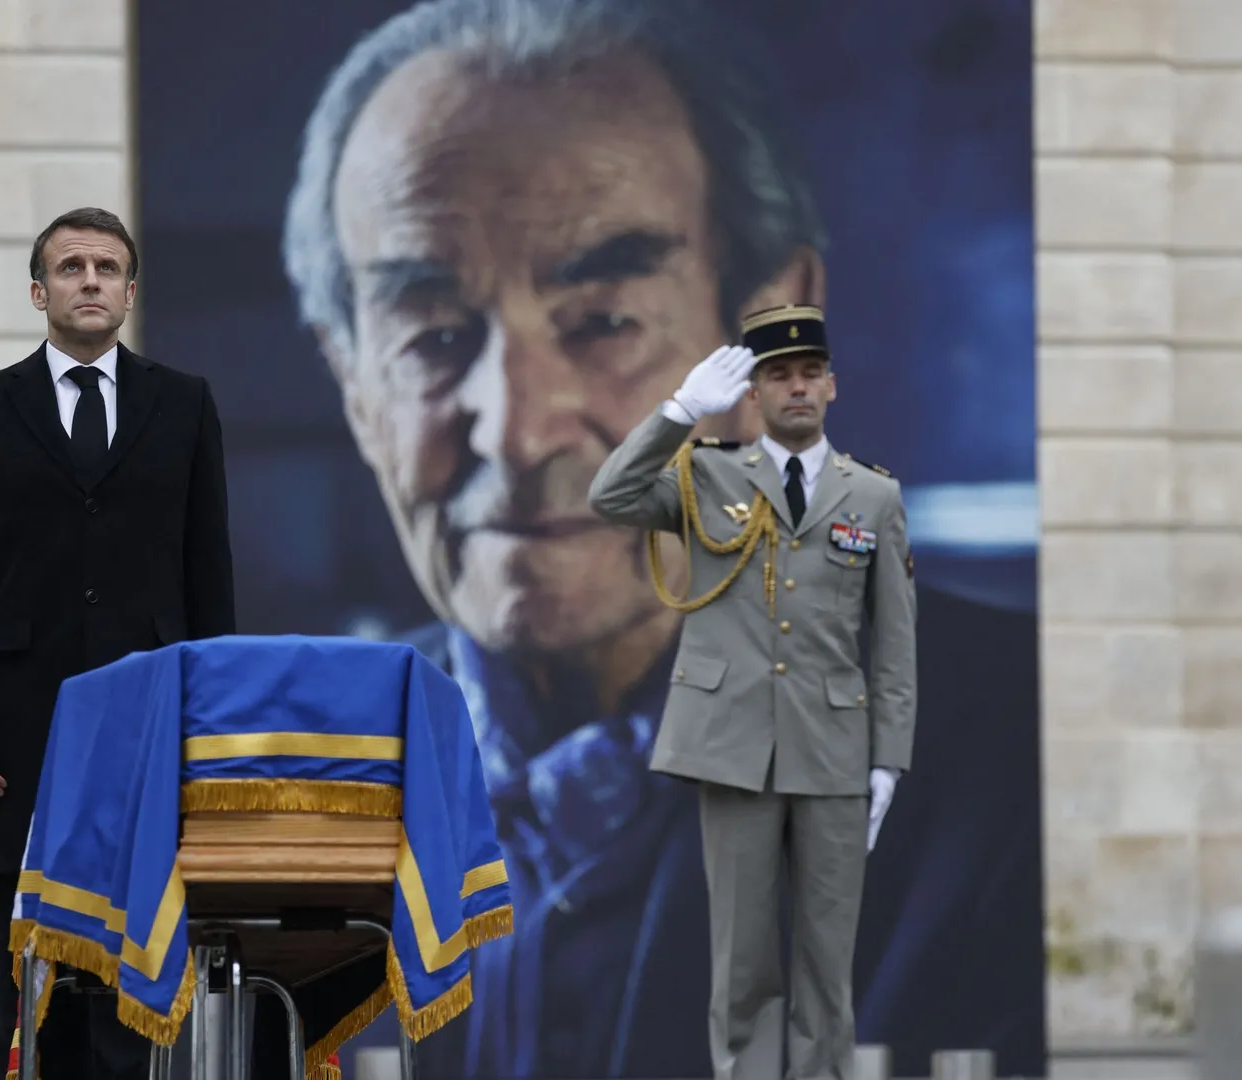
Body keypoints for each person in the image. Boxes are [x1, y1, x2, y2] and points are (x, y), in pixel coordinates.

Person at [281, 0, 1046, 1074]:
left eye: (603, 322)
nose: (516, 422)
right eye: (437, 337)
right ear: (355, 386)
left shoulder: (1029, 783)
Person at [0, 207, 237, 1080]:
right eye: (71, 267)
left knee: (135, 960)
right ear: (39, 291)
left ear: (131, 293)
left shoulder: (185, 404)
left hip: (149, 721)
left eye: (107, 267)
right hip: (20, 731)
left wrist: (211, 723)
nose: (90, 280)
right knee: (30, 966)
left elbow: (209, 575)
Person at [588, 308, 909, 1080]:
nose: (796, 388)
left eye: (808, 374)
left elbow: (894, 640)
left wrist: (889, 759)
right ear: (754, 394)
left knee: (827, 962)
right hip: (734, 746)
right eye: (777, 376)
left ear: (831, 385)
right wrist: (678, 413)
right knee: (743, 965)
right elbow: (611, 495)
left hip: (833, 747)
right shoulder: (706, 473)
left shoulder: (871, 495)